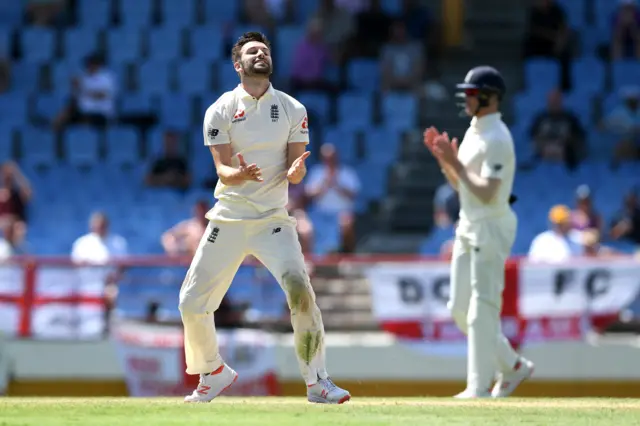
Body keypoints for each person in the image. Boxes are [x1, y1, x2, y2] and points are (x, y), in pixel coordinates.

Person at [178, 32, 350, 404]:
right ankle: (213, 371)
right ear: (238, 65)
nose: (261, 54)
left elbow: (298, 166)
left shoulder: (293, 109)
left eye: (266, 51)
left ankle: (317, 381)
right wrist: (238, 175)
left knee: (302, 294)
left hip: (274, 218)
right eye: (252, 51)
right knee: (191, 302)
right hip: (229, 217)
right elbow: (222, 169)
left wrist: (296, 175)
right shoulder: (220, 109)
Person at [423, 66, 534, 398]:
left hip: (491, 224)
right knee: (459, 308)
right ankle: (513, 366)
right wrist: (446, 161)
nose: (466, 98)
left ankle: (479, 386)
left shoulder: (498, 137)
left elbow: (487, 191)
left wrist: (454, 164)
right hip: (469, 223)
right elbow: (462, 187)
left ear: (489, 97)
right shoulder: (474, 131)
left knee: (483, 306)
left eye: (472, 93)